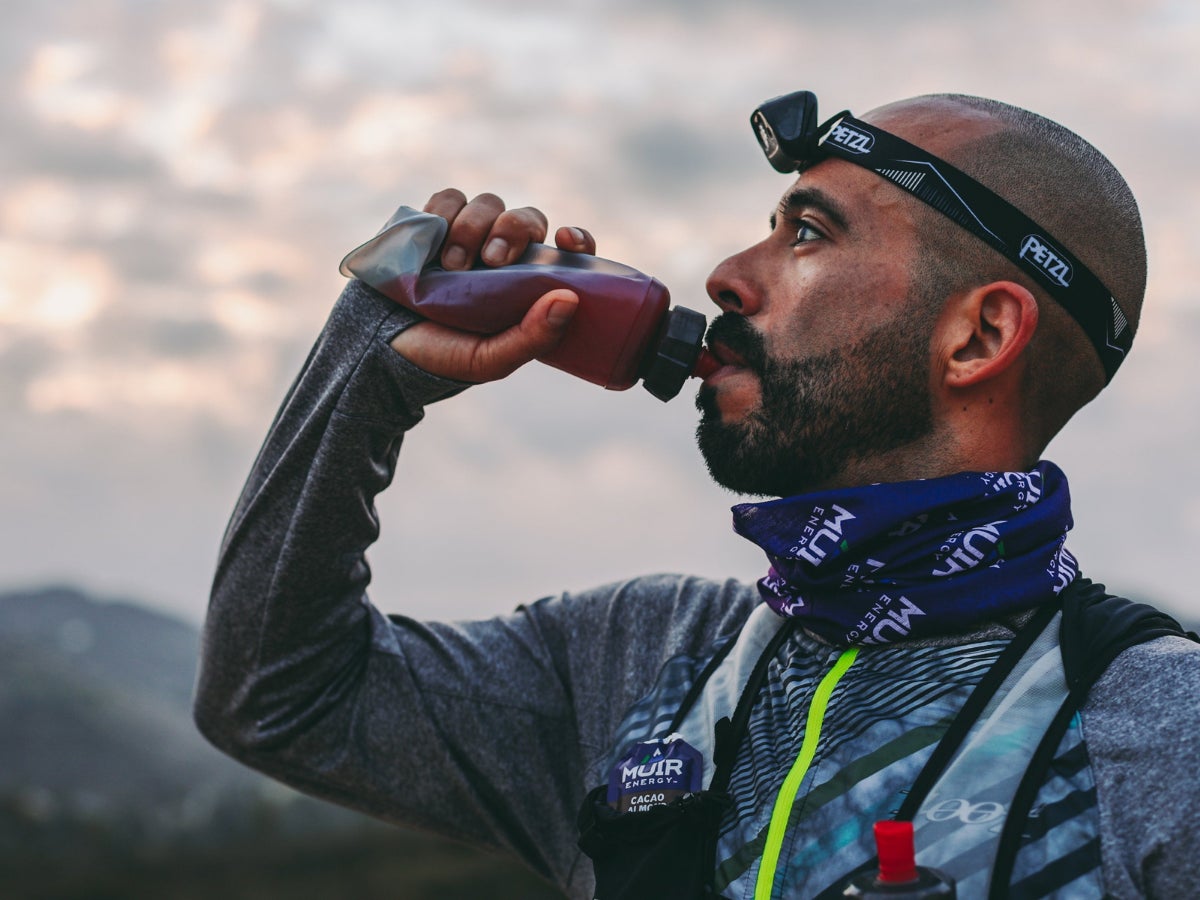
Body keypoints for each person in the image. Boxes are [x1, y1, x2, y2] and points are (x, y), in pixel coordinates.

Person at [194, 91, 1199, 898]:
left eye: (807, 234)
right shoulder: (643, 655)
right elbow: (278, 697)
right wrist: (371, 367)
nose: (723, 275)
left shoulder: (1158, 732)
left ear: (978, 337)